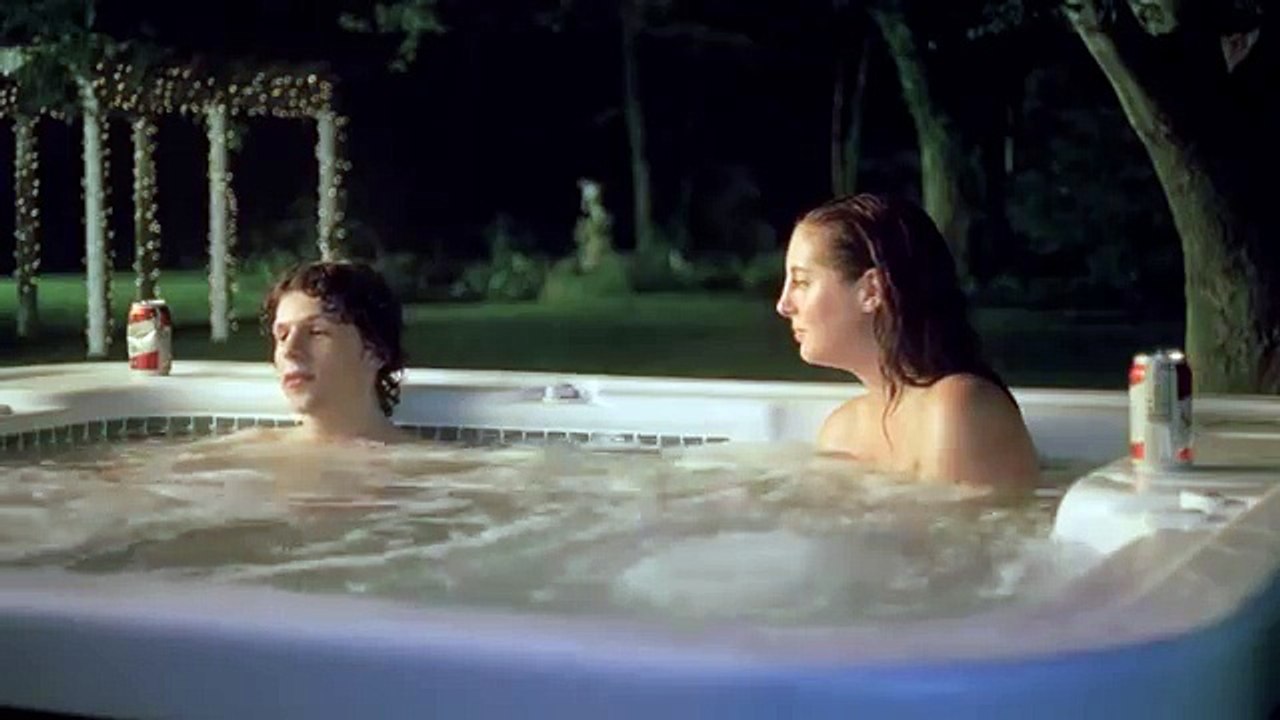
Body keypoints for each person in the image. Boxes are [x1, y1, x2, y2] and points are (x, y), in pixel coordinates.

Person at [775, 193, 1040, 489]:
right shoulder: (840, 432)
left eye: (801, 282)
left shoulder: (958, 408)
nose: (783, 305)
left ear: (871, 290)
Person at [258, 260, 413, 445]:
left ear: (375, 352)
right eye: (282, 336)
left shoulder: (425, 460)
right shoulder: (243, 451)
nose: (289, 351)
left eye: (316, 332)